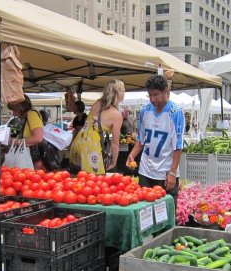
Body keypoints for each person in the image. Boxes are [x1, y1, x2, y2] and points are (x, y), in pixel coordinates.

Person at [127, 75, 185, 203]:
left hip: (165, 172)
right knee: (144, 210)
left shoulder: (175, 112)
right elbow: (141, 139)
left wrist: (173, 173)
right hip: (145, 170)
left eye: (156, 94)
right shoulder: (144, 111)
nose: (153, 99)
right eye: (150, 95)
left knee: (165, 212)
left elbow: (178, 146)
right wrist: (132, 155)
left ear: (166, 91)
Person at [69, 80, 124, 173]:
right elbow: (115, 143)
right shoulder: (116, 115)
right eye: (122, 90)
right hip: (91, 147)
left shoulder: (98, 102)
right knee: (95, 181)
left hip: (78, 141)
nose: (124, 93)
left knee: (78, 179)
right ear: (116, 93)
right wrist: (114, 162)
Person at [8, 95, 45, 169]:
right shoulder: (21, 119)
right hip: (26, 157)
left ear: (20, 107)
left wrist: (16, 141)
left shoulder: (32, 114)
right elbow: (15, 134)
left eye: (14, 110)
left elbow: (38, 138)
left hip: (32, 158)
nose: (14, 113)